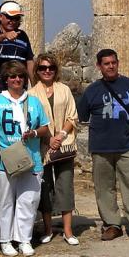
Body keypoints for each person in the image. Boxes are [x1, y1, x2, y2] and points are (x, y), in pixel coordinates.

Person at [79, 49, 129, 246]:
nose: (111, 66)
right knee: (104, 189)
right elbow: (80, 117)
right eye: (106, 63)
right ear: (99, 66)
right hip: (100, 148)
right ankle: (112, 224)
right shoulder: (92, 90)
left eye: (113, 62)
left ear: (118, 63)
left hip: (127, 146)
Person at [0, 60, 49, 257]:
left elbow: (45, 127)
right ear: (6, 79)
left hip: (31, 158)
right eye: (13, 76)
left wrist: (34, 134)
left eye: (20, 76)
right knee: (5, 201)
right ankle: (5, 240)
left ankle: (24, 239)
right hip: (5, 160)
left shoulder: (34, 101)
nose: (17, 79)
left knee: (28, 200)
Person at [29, 52, 80, 246]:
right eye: (42, 68)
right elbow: (31, 119)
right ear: (37, 71)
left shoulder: (64, 90)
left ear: (56, 70)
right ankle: (48, 228)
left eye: (50, 67)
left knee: (65, 185)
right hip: (42, 146)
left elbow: (72, 116)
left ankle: (68, 230)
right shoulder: (32, 93)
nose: (47, 71)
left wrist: (60, 136)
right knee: (45, 187)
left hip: (64, 144)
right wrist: (49, 138)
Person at [0, 1, 34, 94]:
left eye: (16, 18)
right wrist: (4, 36)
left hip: (18, 86)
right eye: (9, 17)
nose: (13, 21)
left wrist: (35, 87)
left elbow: (29, 61)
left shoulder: (22, 35)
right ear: (0, 17)